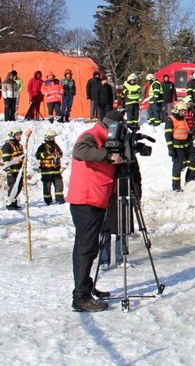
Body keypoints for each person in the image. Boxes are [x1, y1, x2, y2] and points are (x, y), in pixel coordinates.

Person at [66, 110, 125, 312]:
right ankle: (80, 297)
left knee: (88, 246)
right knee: (86, 247)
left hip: (95, 198)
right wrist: (109, 156)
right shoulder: (91, 135)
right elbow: (79, 151)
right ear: (111, 127)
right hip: (86, 199)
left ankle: (86, 287)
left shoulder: (103, 137)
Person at [165, 101, 195, 192]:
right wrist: (170, 149)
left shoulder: (183, 118)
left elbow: (186, 130)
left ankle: (190, 177)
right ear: (177, 109)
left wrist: (191, 135)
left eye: (184, 111)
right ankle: (176, 187)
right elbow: (168, 135)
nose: (184, 112)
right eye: (182, 111)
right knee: (178, 165)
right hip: (177, 147)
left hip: (187, 145)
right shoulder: (170, 119)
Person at [35, 129, 65, 205]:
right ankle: (48, 201)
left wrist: (57, 155)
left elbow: (61, 153)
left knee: (59, 185)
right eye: (52, 137)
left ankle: (60, 200)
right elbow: (38, 156)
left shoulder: (55, 145)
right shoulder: (42, 147)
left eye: (54, 137)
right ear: (48, 137)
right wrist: (46, 153)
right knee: (47, 187)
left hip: (56, 170)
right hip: (46, 170)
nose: (54, 138)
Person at [2, 127, 24, 210]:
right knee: (12, 187)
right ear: (12, 135)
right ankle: (10, 204)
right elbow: (6, 159)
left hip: (19, 171)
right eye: (17, 135)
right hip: (12, 171)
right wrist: (8, 170)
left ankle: (14, 203)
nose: (19, 136)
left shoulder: (19, 145)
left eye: (20, 134)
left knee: (18, 187)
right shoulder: (7, 146)